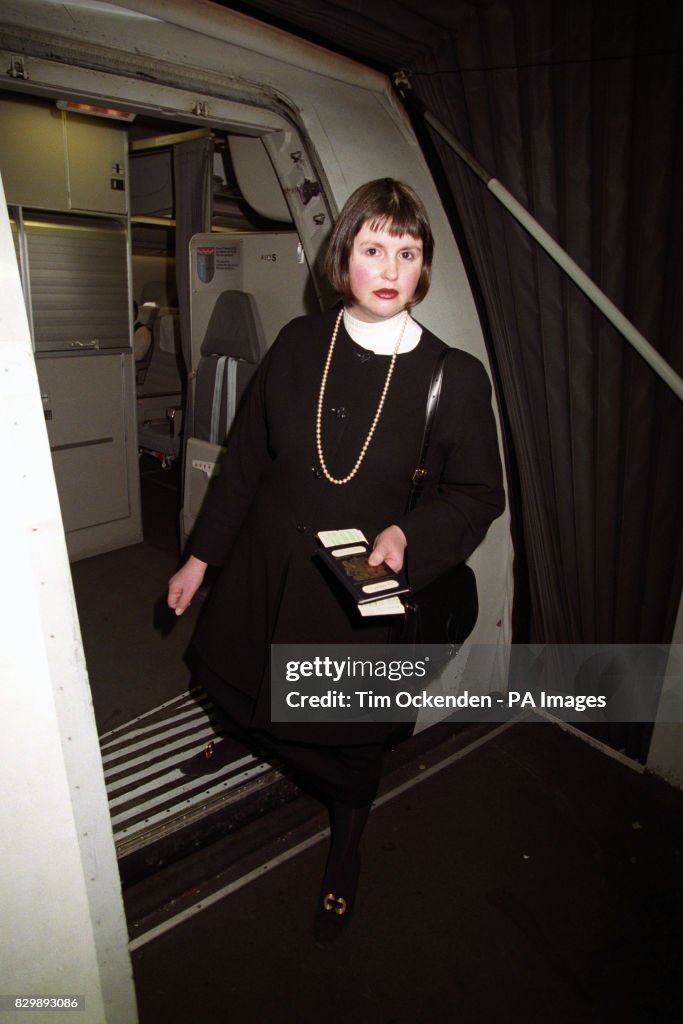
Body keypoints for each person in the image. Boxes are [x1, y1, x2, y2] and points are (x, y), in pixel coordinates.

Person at [168, 178, 505, 941]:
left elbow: (478, 493)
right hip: (264, 569)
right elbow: (244, 466)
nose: (390, 267)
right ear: (341, 259)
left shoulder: (451, 376)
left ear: (423, 269)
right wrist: (201, 560)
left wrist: (409, 537)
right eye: (372, 248)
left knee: (349, 739)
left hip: (356, 590)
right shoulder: (297, 344)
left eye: (407, 252)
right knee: (244, 676)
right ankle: (242, 737)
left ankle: (346, 849)